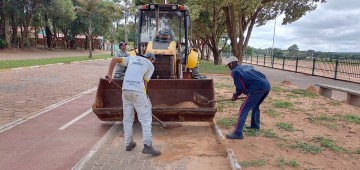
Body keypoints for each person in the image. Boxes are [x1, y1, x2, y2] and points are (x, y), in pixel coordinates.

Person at [105, 52, 161, 156]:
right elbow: (145, 83)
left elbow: (114, 59)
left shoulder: (131, 58)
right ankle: (148, 145)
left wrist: (109, 74)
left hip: (125, 90)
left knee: (127, 118)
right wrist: (145, 97)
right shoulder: (150, 65)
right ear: (151, 59)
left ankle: (128, 143)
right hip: (138, 91)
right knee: (146, 118)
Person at [224, 56, 271, 140]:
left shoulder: (235, 71)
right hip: (266, 85)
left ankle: (238, 133)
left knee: (243, 109)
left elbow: (240, 87)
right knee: (255, 106)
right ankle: (255, 126)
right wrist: (248, 92)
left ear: (232, 63)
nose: (229, 68)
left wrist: (235, 96)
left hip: (257, 88)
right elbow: (252, 79)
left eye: (228, 66)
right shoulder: (247, 66)